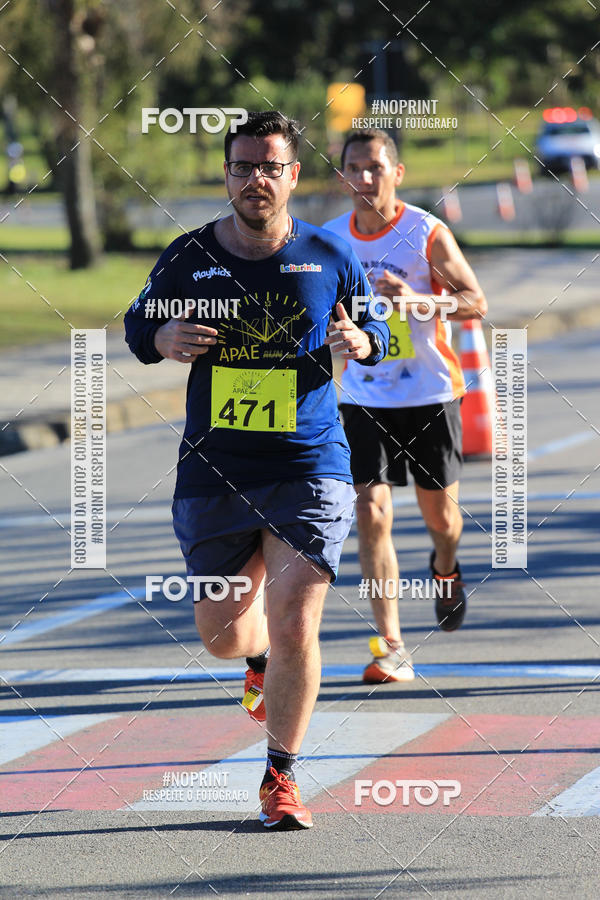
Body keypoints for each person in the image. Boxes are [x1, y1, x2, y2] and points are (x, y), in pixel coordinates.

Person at [124, 111, 389, 830]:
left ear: (293, 175)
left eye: (270, 167)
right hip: (216, 468)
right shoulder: (188, 257)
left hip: (311, 462)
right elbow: (136, 323)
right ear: (227, 174)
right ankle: (256, 660)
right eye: (243, 167)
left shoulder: (329, 254)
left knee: (298, 613)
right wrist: (161, 334)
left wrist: (363, 339)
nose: (255, 180)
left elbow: (378, 326)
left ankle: (281, 777)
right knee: (220, 632)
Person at [323, 128, 487, 685]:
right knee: (371, 514)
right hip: (364, 395)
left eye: (375, 167)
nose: (365, 178)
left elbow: (475, 301)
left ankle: (446, 567)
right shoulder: (328, 242)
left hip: (429, 393)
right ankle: (389, 645)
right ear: (341, 174)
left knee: (442, 519)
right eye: (354, 167)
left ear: (397, 172)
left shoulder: (425, 232)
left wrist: (418, 300)